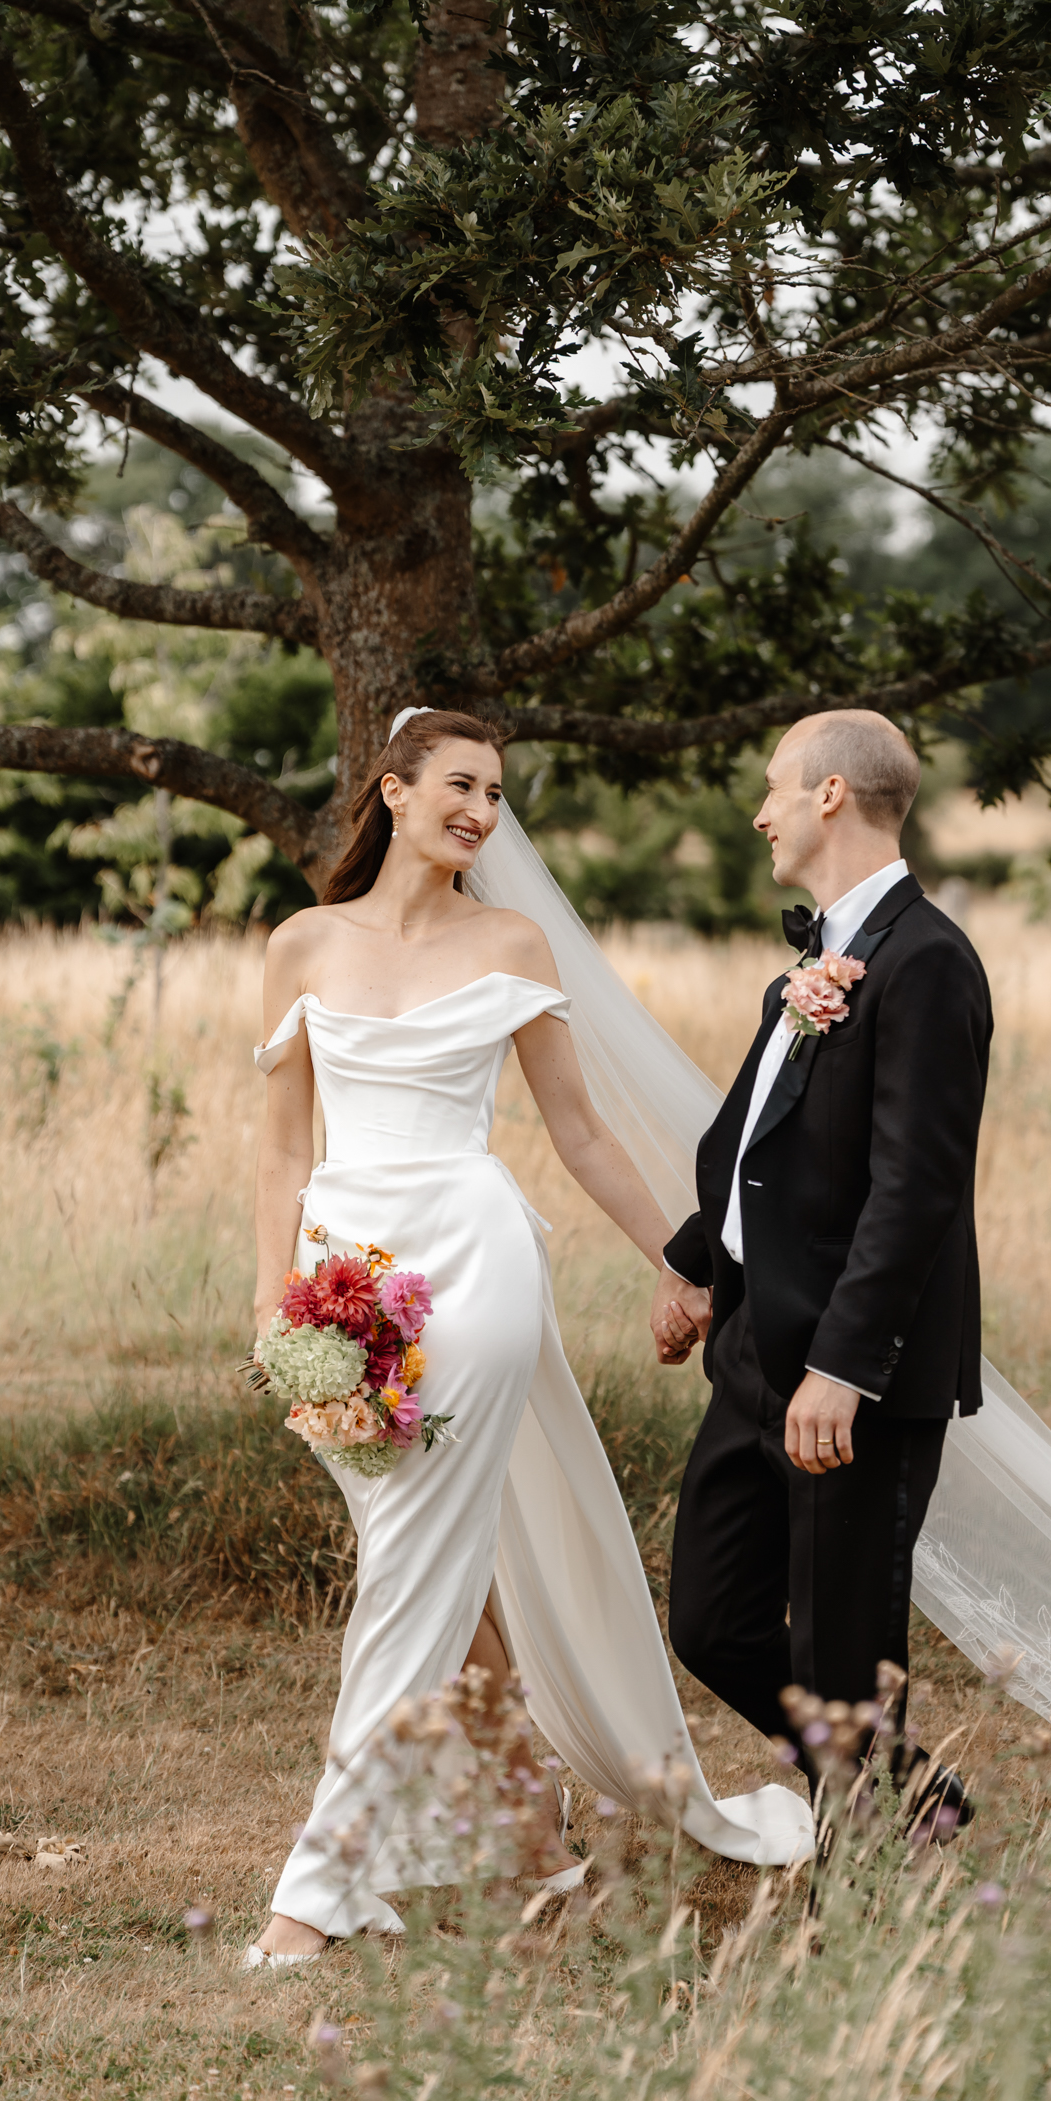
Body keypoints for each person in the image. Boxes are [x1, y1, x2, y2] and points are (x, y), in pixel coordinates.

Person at [243, 709, 811, 1968]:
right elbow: (282, 1148)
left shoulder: (511, 942)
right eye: (461, 784)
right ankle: (527, 1824)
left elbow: (582, 1131)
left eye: (496, 794)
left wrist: (682, 1258)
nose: (482, 812)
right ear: (393, 792)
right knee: (427, 1559)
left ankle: (318, 1888)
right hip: (340, 1289)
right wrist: (272, 1300)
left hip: (475, 1268)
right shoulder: (302, 945)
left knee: (411, 1567)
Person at [652, 711, 989, 1820]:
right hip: (756, 1342)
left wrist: (843, 1367)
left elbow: (916, 1189)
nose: (760, 813)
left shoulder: (928, 961)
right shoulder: (814, 965)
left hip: (852, 1369)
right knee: (712, 1622)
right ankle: (909, 1800)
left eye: (773, 788)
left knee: (844, 1652)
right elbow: (761, 1142)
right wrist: (693, 1265)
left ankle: (862, 1891)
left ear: (830, 793)